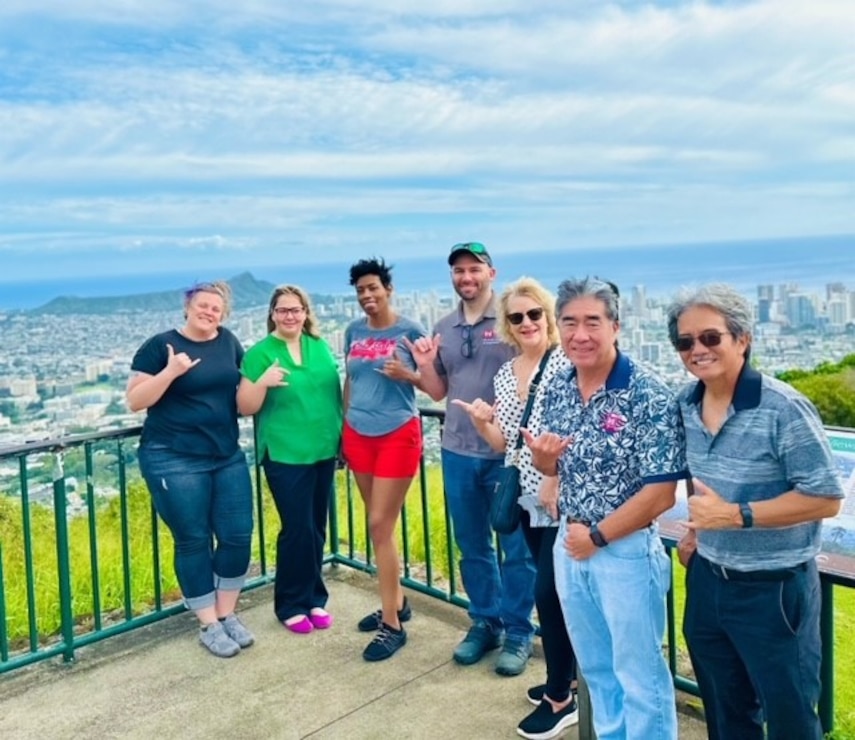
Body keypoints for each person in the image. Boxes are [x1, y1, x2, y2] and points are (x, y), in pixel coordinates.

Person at [666, 284, 844, 740]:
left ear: (742, 339)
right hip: (708, 580)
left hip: (774, 591)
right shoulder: (685, 405)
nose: (697, 350)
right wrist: (698, 534)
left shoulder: (782, 408)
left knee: (790, 718)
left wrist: (735, 515)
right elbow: (700, 477)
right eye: (686, 342)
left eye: (711, 338)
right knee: (725, 712)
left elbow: (825, 496)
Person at [522, 276, 686, 740]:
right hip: (570, 544)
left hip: (624, 550)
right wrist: (545, 458)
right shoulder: (558, 385)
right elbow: (549, 464)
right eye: (569, 322)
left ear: (615, 325)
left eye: (592, 322)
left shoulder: (645, 392)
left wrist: (595, 537)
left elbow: (660, 494)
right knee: (597, 670)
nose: (580, 334)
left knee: (640, 675)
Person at [453, 277, 578, 740]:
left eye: (534, 314)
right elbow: (506, 443)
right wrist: (483, 424)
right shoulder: (506, 373)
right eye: (516, 317)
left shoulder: (566, 363)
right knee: (558, 594)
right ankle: (567, 680)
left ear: (548, 316)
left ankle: (560, 698)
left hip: (559, 497)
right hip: (525, 495)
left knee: (549, 593)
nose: (526, 323)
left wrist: (554, 476)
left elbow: (575, 429)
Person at [409, 242, 537, 677]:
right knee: (472, 545)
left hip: (508, 454)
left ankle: (520, 631)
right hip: (457, 449)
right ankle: (486, 620)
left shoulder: (511, 321)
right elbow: (439, 391)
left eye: (474, 269)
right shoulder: (443, 325)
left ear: (491, 273)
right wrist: (425, 364)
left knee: (517, 549)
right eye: (459, 270)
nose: (466, 277)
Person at [127, 280, 255, 659]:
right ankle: (208, 623)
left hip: (226, 454)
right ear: (188, 307)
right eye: (202, 305)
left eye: (216, 308)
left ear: (224, 314)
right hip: (173, 456)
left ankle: (227, 613)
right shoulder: (160, 345)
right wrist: (170, 372)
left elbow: (240, 392)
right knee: (194, 539)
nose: (208, 312)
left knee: (237, 535)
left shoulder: (229, 342)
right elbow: (135, 401)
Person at [237, 285, 343, 634]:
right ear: (272, 314)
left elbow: (333, 396)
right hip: (284, 453)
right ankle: (289, 603)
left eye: (296, 310)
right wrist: (263, 382)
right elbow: (245, 406)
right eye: (283, 310)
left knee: (315, 526)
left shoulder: (320, 347)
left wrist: (342, 438)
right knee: (296, 528)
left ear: (305, 312)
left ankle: (315, 597)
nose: (290, 316)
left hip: (323, 449)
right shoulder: (260, 354)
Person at [343, 257, 427, 662]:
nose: (367, 296)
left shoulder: (410, 331)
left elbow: (432, 385)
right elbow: (350, 379)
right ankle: (397, 600)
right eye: (360, 290)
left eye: (373, 287)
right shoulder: (353, 331)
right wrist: (344, 427)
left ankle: (392, 625)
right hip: (357, 434)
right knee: (381, 528)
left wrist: (407, 376)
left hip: (397, 433)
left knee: (378, 525)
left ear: (388, 288)